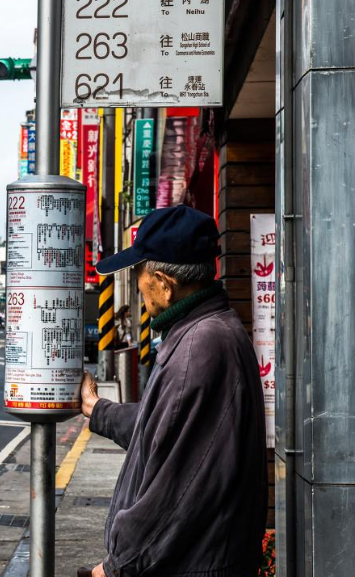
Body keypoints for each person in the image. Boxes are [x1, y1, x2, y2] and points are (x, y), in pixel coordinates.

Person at [78, 206, 266, 577]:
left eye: (139, 274)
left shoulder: (201, 347)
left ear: (164, 283)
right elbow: (163, 427)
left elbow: (179, 489)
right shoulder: (203, 332)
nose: (137, 286)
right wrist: (96, 408)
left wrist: (117, 565)